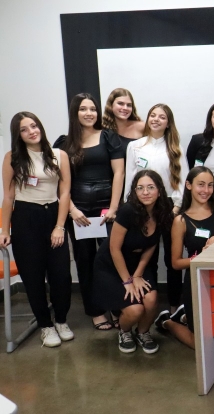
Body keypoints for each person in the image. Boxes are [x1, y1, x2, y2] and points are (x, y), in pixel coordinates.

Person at [0, 112, 73, 347]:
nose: (31, 131)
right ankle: (46, 326)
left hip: (53, 215)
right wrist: (4, 230)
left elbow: (64, 193)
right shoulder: (12, 157)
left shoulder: (59, 155)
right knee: (32, 276)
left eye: (33, 126)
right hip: (25, 218)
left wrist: (59, 226)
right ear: (18, 135)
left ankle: (60, 320)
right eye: (24, 129)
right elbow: (8, 197)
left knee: (61, 275)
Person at [156, 167, 214, 349]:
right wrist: (201, 259)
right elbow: (176, 263)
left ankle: (184, 315)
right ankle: (167, 322)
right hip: (198, 281)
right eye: (201, 185)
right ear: (189, 185)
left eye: (210, 185)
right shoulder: (180, 221)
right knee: (200, 345)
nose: (206, 190)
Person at [54, 93, 125, 330]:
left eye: (92, 109)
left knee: (112, 258)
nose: (89, 113)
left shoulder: (109, 137)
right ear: (75, 113)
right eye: (83, 109)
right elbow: (59, 182)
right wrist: (72, 210)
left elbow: (119, 173)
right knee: (85, 261)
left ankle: (117, 306)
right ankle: (95, 311)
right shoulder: (63, 144)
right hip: (79, 213)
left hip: (107, 211)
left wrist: (114, 207)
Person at [93, 170, 172, 353]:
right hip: (112, 265)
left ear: (159, 190)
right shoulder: (127, 211)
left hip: (138, 263)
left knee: (151, 300)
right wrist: (128, 281)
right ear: (135, 191)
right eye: (140, 188)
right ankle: (125, 331)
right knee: (135, 309)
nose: (145, 192)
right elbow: (114, 249)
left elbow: (152, 244)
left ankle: (143, 332)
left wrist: (137, 274)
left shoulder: (163, 210)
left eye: (150, 187)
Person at [125, 104, 189, 312]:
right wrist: (130, 207)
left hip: (170, 207)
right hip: (143, 206)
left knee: (172, 258)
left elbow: (183, 181)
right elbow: (130, 180)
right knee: (147, 257)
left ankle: (174, 306)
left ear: (168, 123)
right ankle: (147, 302)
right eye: (153, 115)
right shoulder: (135, 146)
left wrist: (176, 208)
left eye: (162, 117)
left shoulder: (175, 148)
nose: (156, 119)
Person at [101, 88, 146, 155]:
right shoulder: (102, 129)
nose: (125, 108)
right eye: (120, 103)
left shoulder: (142, 127)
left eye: (129, 105)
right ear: (111, 105)